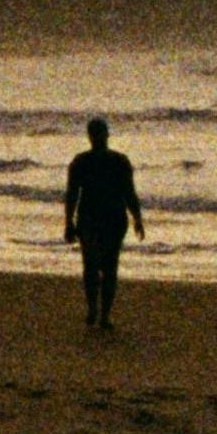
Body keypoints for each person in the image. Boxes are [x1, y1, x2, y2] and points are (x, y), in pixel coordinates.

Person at [60, 111, 145, 334]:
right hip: (92, 218)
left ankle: (103, 313)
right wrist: (68, 222)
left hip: (112, 219)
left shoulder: (117, 161)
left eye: (99, 134)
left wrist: (137, 218)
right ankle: (95, 309)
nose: (97, 137)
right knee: (93, 265)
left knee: (107, 267)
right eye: (95, 134)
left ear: (106, 135)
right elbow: (72, 194)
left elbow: (129, 193)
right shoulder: (83, 162)